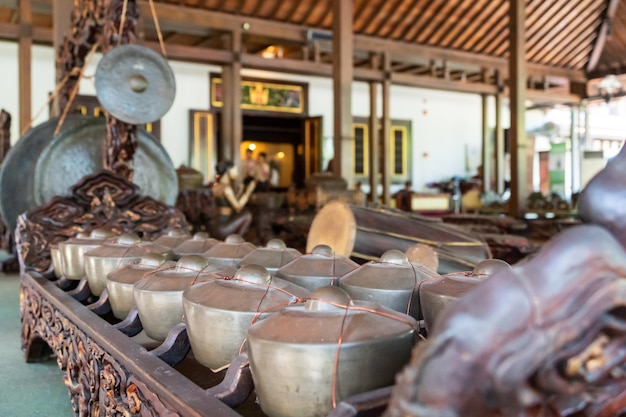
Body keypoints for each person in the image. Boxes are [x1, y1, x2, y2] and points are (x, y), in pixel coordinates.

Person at [209, 160, 256, 240]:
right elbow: (237, 208)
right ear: (228, 171)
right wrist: (248, 191)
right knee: (247, 215)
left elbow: (228, 204)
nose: (236, 172)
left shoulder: (216, 187)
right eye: (235, 169)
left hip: (215, 226)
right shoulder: (226, 188)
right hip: (223, 228)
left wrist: (241, 191)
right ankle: (237, 241)